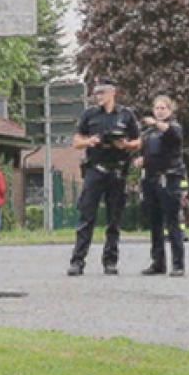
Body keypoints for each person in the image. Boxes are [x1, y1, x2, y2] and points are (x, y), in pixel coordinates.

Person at [67, 77, 141, 276]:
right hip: (95, 170)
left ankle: (110, 261)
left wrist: (125, 145)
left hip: (117, 171)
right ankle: (78, 260)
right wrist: (89, 141)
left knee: (114, 220)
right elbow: (75, 141)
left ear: (112, 93)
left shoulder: (126, 115)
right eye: (96, 93)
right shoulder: (89, 115)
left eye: (102, 92)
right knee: (86, 217)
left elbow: (138, 142)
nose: (98, 96)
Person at [134, 95, 186, 277]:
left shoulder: (174, 127)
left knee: (172, 222)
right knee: (154, 222)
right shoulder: (148, 133)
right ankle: (158, 262)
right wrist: (141, 160)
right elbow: (146, 151)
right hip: (151, 179)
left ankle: (178, 264)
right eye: (157, 108)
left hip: (169, 178)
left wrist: (156, 123)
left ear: (170, 111)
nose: (159, 111)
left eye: (163, 108)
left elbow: (172, 134)